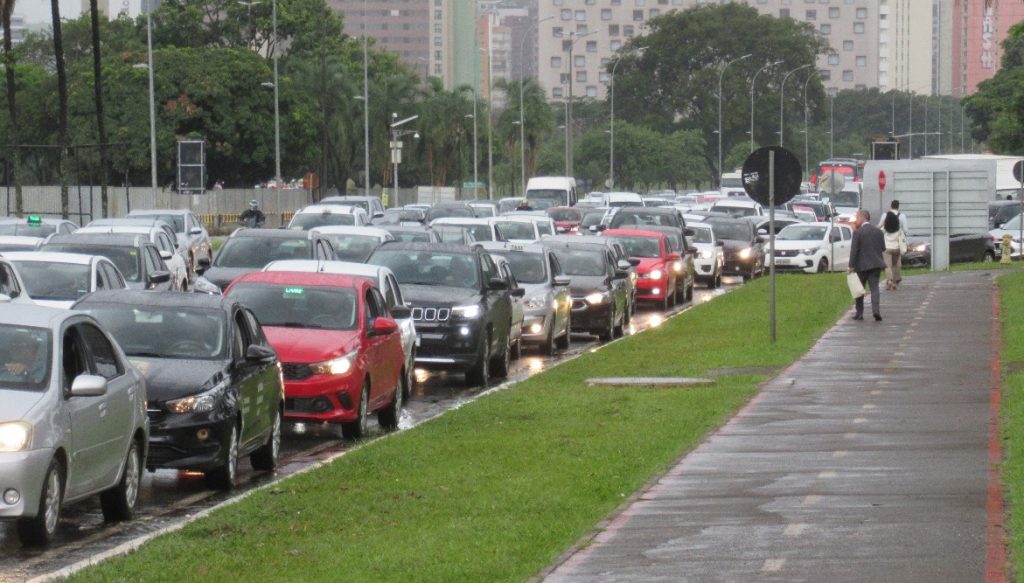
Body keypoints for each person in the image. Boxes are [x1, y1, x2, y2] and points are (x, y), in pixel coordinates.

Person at [849, 209, 887, 321]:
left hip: (861, 266)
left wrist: (850, 266)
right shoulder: (878, 232)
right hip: (876, 264)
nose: (856, 220)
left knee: (859, 290)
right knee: (875, 288)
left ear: (862, 217)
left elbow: (854, 250)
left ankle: (859, 313)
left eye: (857, 217)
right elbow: (883, 248)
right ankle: (876, 311)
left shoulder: (858, 232)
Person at [881, 210, 906, 290]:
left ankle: (889, 281)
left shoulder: (884, 229)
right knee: (894, 266)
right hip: (896, 249)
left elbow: (879, 232)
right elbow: (902, 238)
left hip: (887, 249)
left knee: (887, 266)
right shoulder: (898, 229)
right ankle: (894, 282)